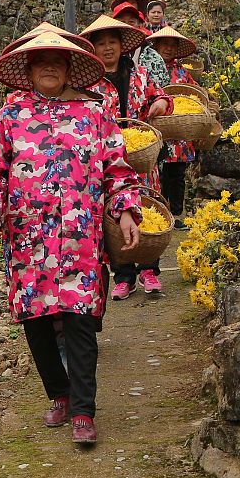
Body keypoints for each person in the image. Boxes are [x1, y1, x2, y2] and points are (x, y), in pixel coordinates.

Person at [0, 31, 144, 445]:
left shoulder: (94, 114)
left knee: (81, 319)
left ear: (68, 68)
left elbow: (118, 170)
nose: (49, 65)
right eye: (40, 59)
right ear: (28, 69)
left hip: (80, 237)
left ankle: (84, 411)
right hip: (28, 239)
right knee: (37, 320)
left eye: (57, 60)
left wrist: (125, 211)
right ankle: (59, 395)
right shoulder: (8, 118)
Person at [79, 15, 171, 299]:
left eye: (113, 43)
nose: (108, 48)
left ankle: (149, 270)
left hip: (141, 158)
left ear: (122, 46)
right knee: (113, 215)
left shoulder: (140, 75)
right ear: (93, 50)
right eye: (102, 44)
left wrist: (159, 103)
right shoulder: (87, 85)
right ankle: (123, 275)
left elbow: (163, 97)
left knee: (146, 209)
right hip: (107, 163)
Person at [148, 26, 200, 230]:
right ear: (156, 46)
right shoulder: (149, 67)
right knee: (159, 175)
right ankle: (159, 213)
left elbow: (194, 93)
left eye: (172, 45)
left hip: (180, 134)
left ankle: (176, 214)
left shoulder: (182, 72)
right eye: (164, 45)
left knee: (177, 175)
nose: (168, 49)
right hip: (158, 130)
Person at [111, 2, 169, 87]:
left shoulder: (153, 58)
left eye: (131, 22)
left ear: (139, 26)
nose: (127, 26)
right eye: (122, 22)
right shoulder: (106, 54)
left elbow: (163, 89)